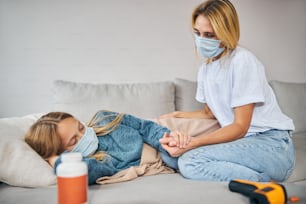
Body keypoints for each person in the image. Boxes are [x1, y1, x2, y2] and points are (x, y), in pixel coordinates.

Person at [159, 0, 295, 182]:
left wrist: (194, 143)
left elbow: (240, 127)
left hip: (271, 145)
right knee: (168, 153)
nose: (201, 41)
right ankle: (241, 171)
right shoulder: (206, 68)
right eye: (198, 33)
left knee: (190, 161)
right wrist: (178, 115)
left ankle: (266, 185)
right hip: (242, 143)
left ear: (226, 33)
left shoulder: (243, 61)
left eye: (209, 35)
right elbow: (209, 112)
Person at [25, 110, 190, 185]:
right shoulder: (97, 162)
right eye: (73, 141)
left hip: (167, 132)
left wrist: (169, 139)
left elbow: (144, 127)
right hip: (166, 158)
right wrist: (54, 159)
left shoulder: (104, 119)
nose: (84, 136)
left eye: (80, 127)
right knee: (187, 165)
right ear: (64, 153)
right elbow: (80, 171)